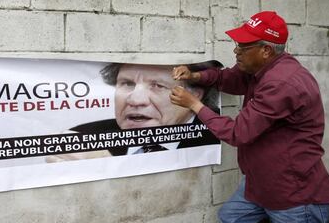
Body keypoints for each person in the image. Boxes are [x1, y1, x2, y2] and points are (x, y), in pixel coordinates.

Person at [170, 11, 329, 223]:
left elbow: (238, 132)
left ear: (266, 50)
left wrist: (194, 104)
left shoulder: (282, 83)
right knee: (230, 218)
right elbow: (227, 77)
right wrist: (195, 75)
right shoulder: (261, 68)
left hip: (293, 195)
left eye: (243, 46)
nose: (236, 50)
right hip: (261, 183)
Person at [47, 62, 221, 162]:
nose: (135, 100)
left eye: (158, 86)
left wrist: (108, 168)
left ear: (194, 95)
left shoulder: (219, 136)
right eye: (127, 83)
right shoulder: (83, 136)